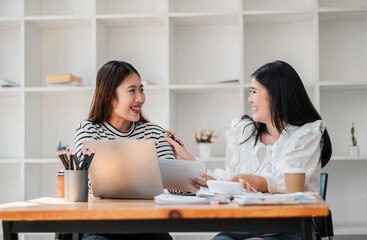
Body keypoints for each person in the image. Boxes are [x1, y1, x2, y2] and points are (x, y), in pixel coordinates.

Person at [165, 60, 332, 240]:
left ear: (276, 94)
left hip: (291, 228)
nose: (249, 99)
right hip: (242, 226)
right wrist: (188, 159)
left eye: (254, 91)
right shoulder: (243, 132)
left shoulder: (306, 134)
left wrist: (253, 180)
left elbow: (288, 183)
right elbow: (231, 180)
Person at [74, 60, 173, 240]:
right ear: (109, 95)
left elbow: (173, 186)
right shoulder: (89, 130)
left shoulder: (155, 132)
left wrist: (183, 161)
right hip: (102, 226)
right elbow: (89, 184)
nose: (140, 98)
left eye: (141, 89)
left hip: (149, 226)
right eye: (132, 90)